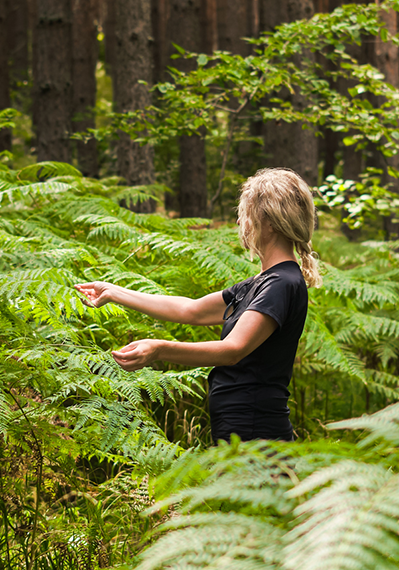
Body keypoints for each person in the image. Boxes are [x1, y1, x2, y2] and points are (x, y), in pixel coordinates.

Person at [76, 168, 322, 442]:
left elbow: (233, 350)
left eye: (246, 212)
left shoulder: (281, 283)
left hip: (255, 428)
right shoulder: (263, 282)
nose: (240, 219)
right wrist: (114, 292)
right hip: (242, 425)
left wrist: (158, 349)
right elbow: (191, 310)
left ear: (271, 221)